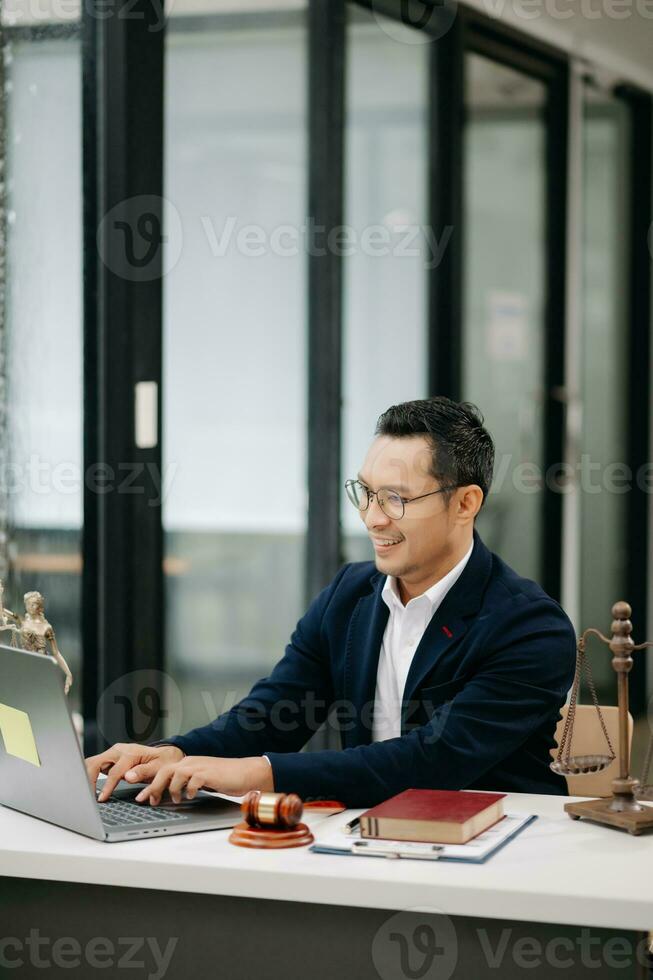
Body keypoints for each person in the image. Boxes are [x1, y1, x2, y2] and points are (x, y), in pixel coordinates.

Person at [86, 397, 576, 808]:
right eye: (364, 492)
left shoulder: (530, 627)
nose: (371, 518)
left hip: (500, 850)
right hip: (367, 834)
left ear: (465, 503)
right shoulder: (351, 595)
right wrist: (175, 752)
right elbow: (273, 713)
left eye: (395, 499)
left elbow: (432, 760)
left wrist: (255, 774)